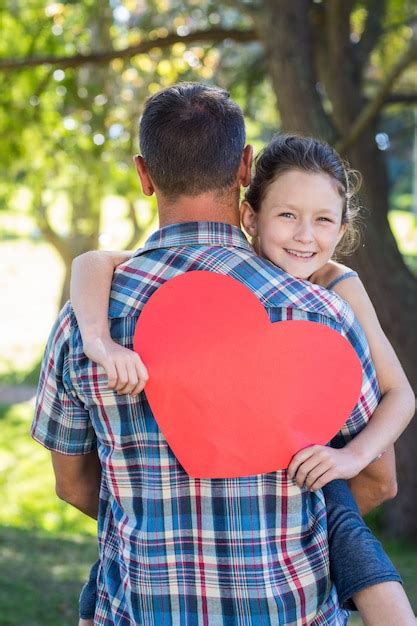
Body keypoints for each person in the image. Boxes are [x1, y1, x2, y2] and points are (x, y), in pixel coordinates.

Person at [32, 84, 413, 626]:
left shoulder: (88, 318)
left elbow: (72, 484)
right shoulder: (322, 313)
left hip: (144, 608)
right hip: (291, 608)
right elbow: (379, 479)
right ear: (244, 168)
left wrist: (160, 529)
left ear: (144, 175)